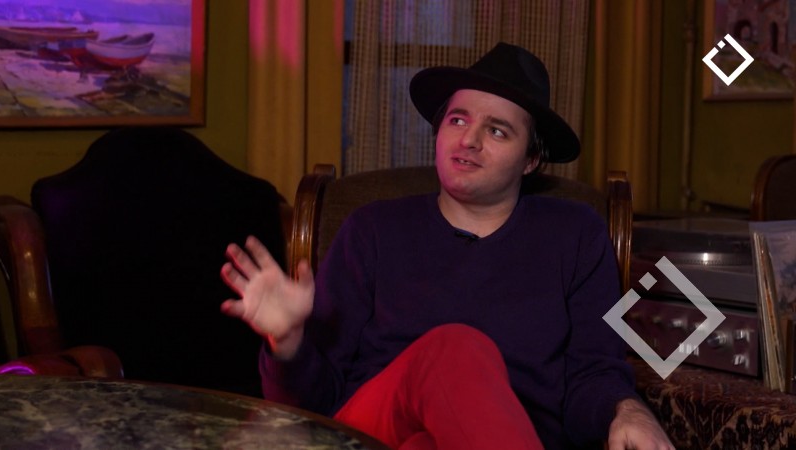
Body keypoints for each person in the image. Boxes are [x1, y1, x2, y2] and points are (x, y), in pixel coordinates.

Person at [220, 42, 673, 450]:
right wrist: (289, 341)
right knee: (454, 351)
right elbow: (312, 406)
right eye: (458, 120)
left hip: (511, 436)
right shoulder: (372, 229)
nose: (469, 140)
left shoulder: (575, 234)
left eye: (497, 131)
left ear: (531, 159)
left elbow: (594, 370)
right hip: (371, 430)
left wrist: (626, 409)